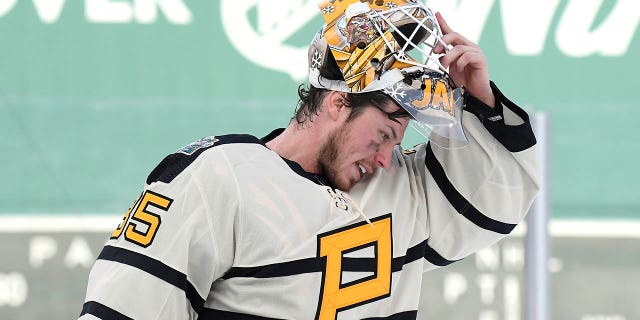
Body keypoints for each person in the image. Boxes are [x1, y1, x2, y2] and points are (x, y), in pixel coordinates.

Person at [79, 1, 539, 319]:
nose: (385, 158)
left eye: (397, 141)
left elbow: (492, 205)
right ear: (339, 101)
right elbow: (128, 306)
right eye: (382, 135)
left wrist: (481, 99)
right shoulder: (217, 178)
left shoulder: (403, 188)